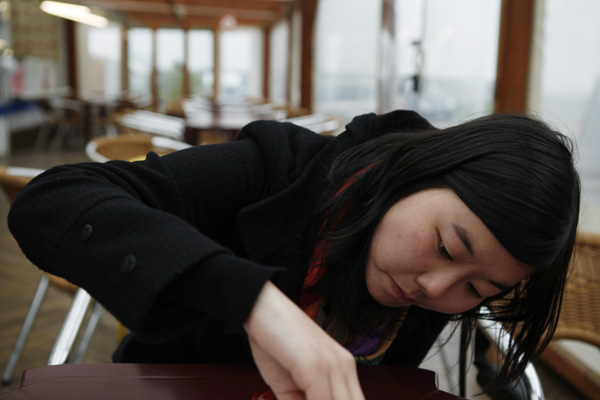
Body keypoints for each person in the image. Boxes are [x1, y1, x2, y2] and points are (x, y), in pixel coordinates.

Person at [8, 110, 580, 400]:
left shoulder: (426, 284)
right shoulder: (278, 168)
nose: (435, 288)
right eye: (445, 246)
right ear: (420, 172)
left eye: (477, 290)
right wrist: (255, 303)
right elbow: (53, 199)